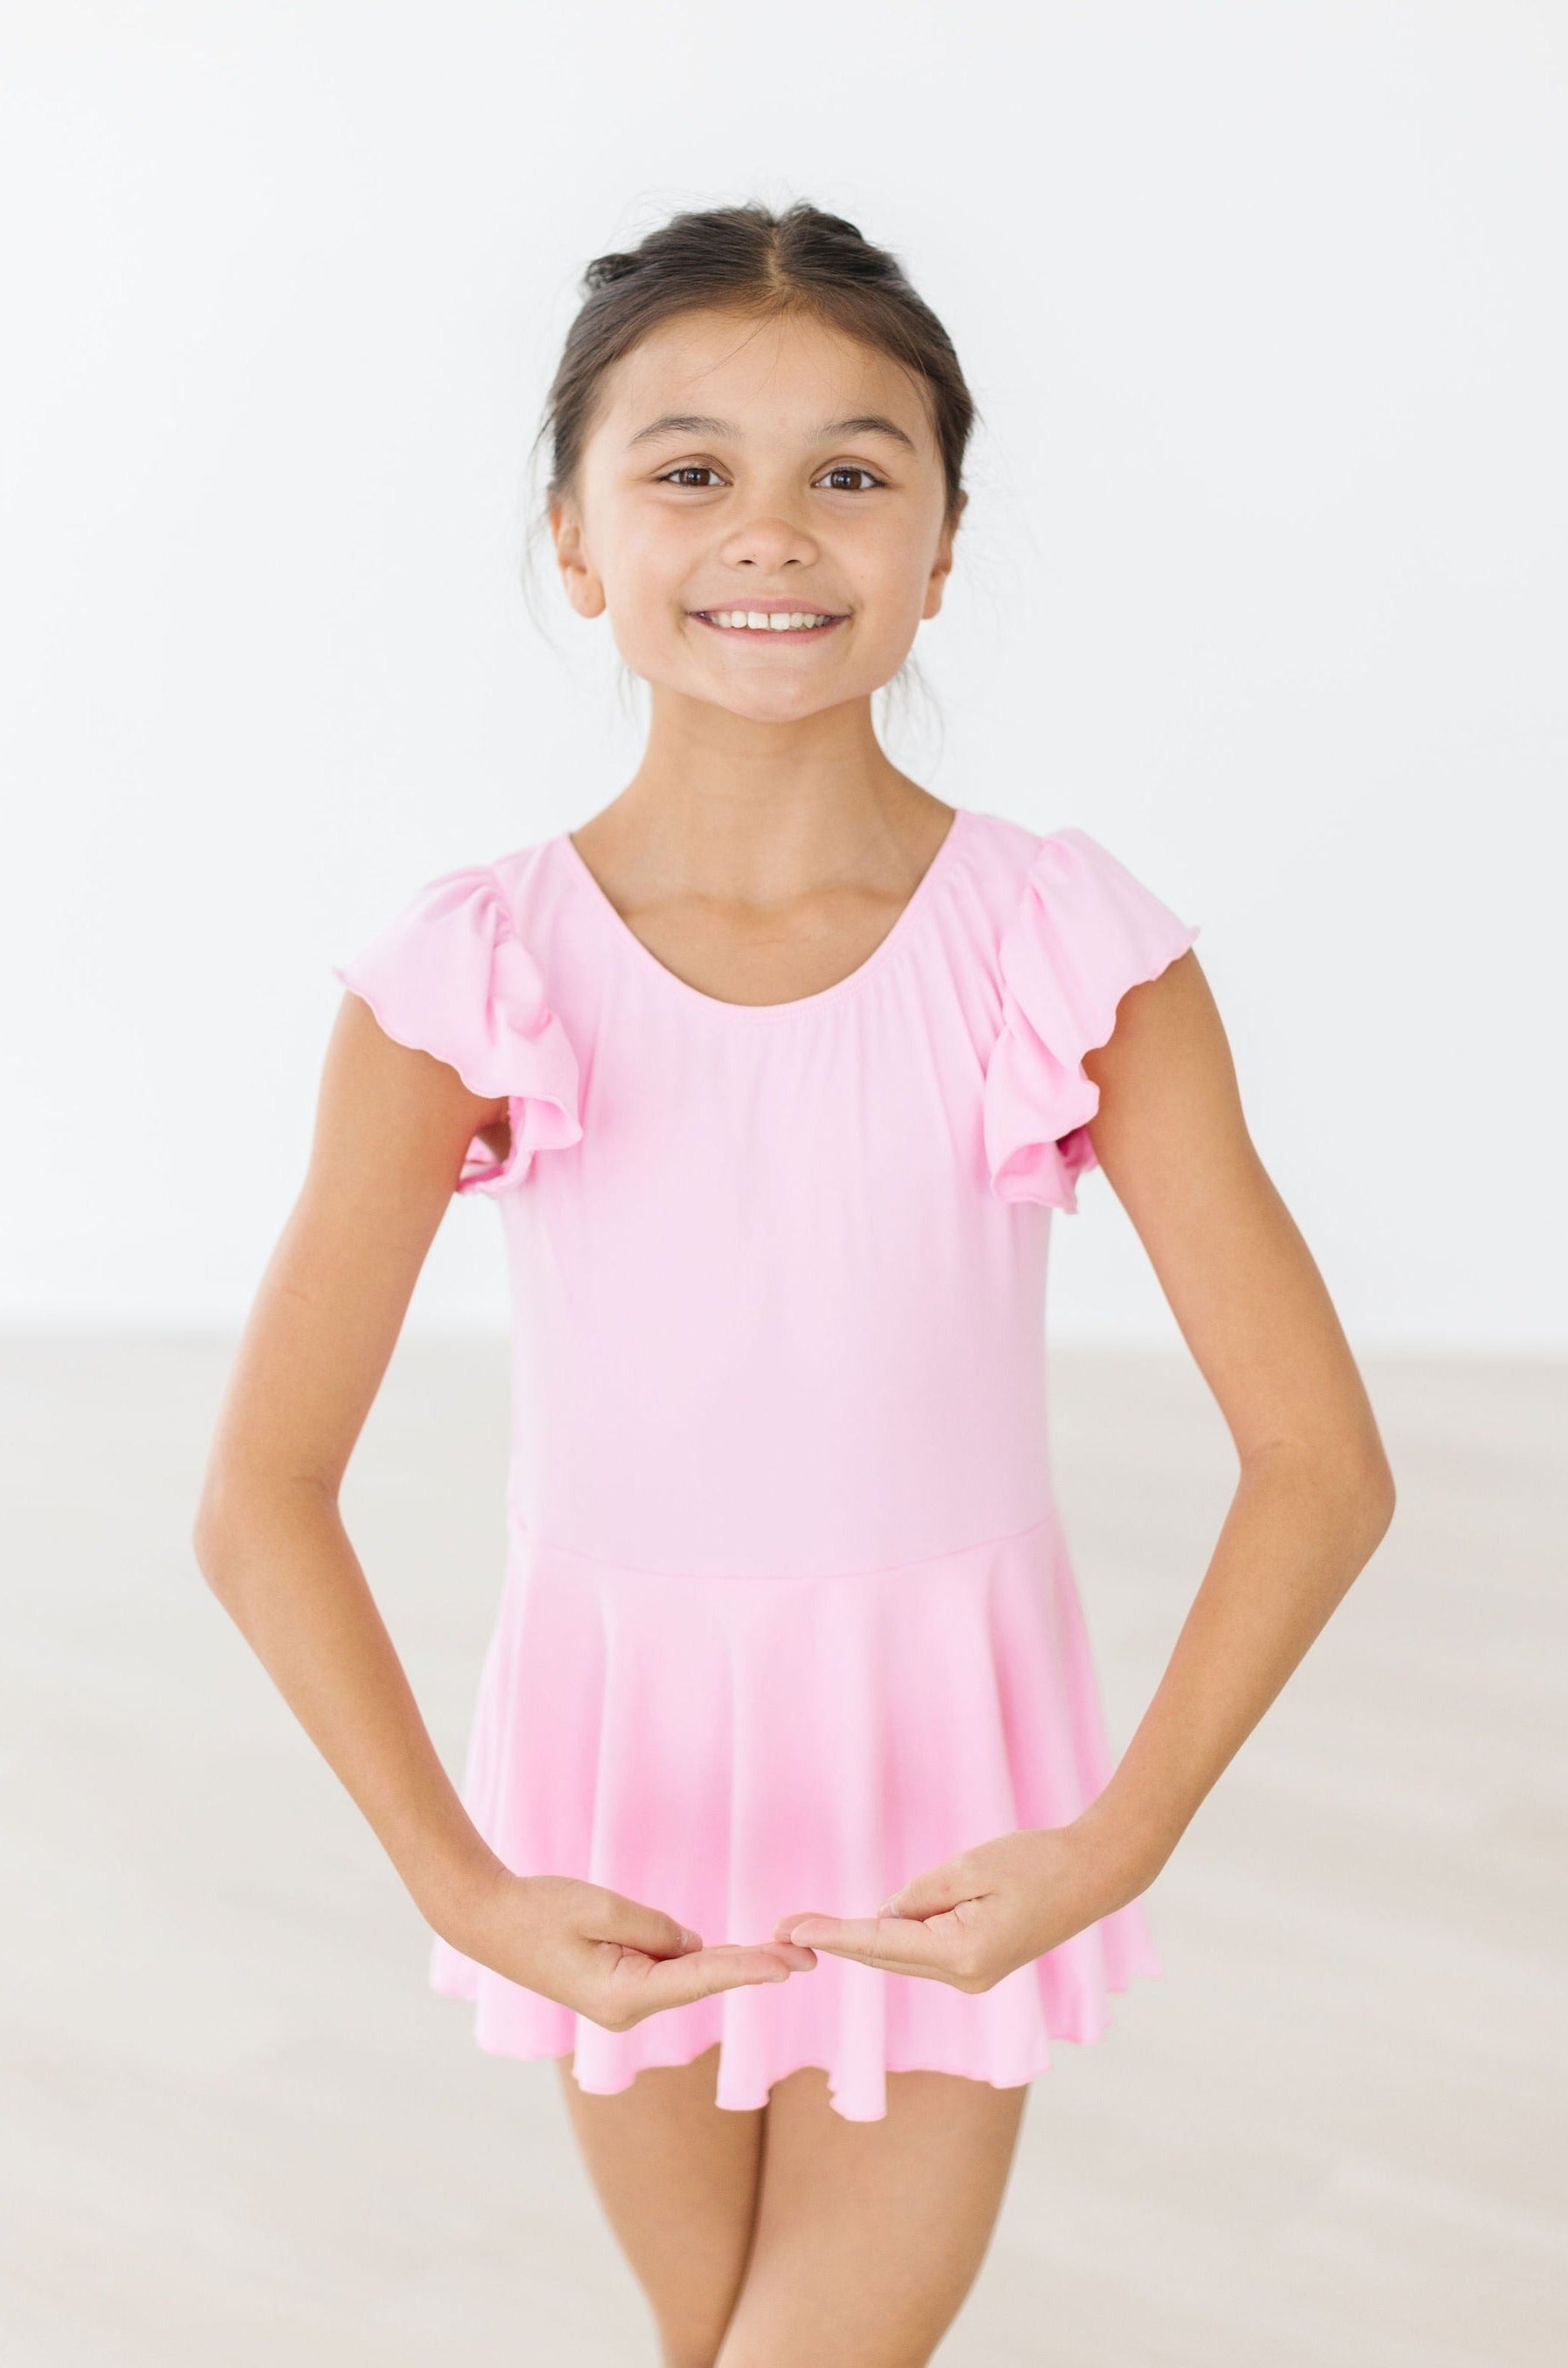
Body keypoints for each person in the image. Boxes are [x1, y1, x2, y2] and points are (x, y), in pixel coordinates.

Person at [193, 198, 1396, 2368]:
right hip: (614, 1791)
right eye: (688, 469)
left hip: (953, 1804)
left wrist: (1112, 1840)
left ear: (940, 544)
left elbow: (1319, 1463)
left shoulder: (1062, 951)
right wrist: (462, 1878)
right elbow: (259, 1494)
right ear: (574, 539)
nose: (772, 528)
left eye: (851, 469)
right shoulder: (470, 978)